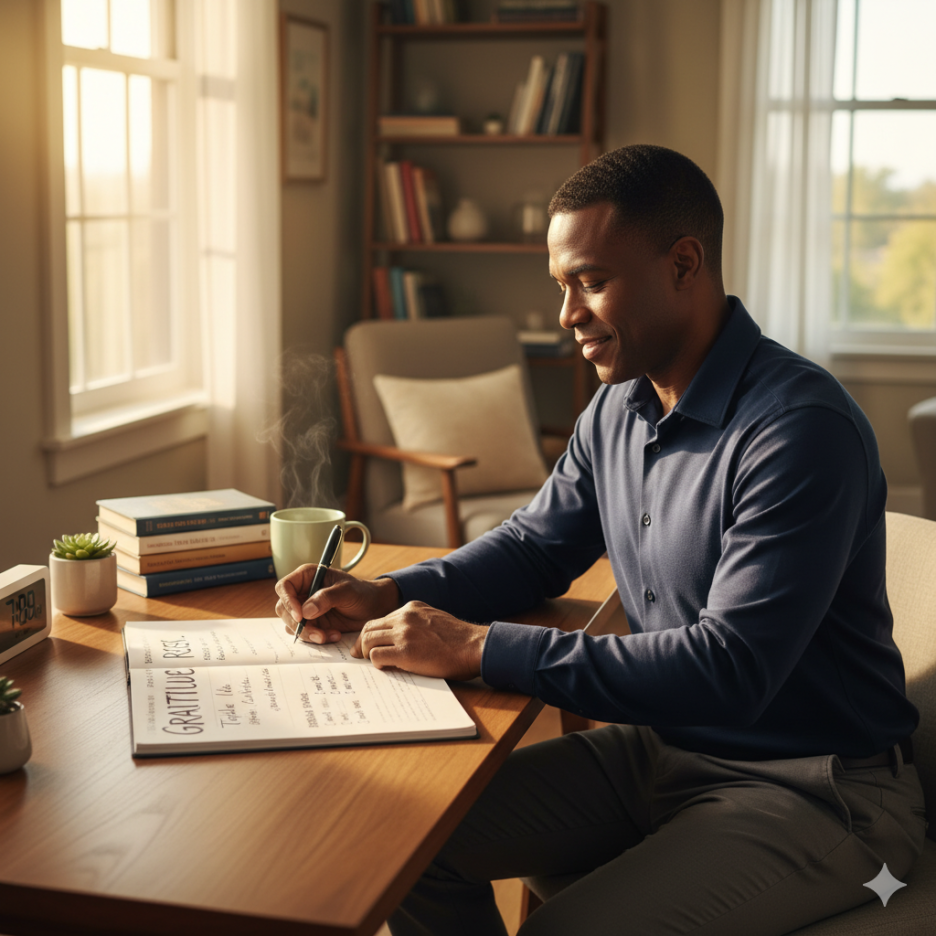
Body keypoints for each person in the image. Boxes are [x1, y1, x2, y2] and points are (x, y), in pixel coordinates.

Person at [274, 144, 926, 935]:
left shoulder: (798, 432)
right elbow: (532, 548)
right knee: (403, 842)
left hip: (816, 793)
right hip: (658, 751)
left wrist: (480, 648)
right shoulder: (617, 408)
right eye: (561, 286)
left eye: (591, 281)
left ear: (684, 264)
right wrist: (392, 591)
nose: (566, 316)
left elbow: (731, 670)